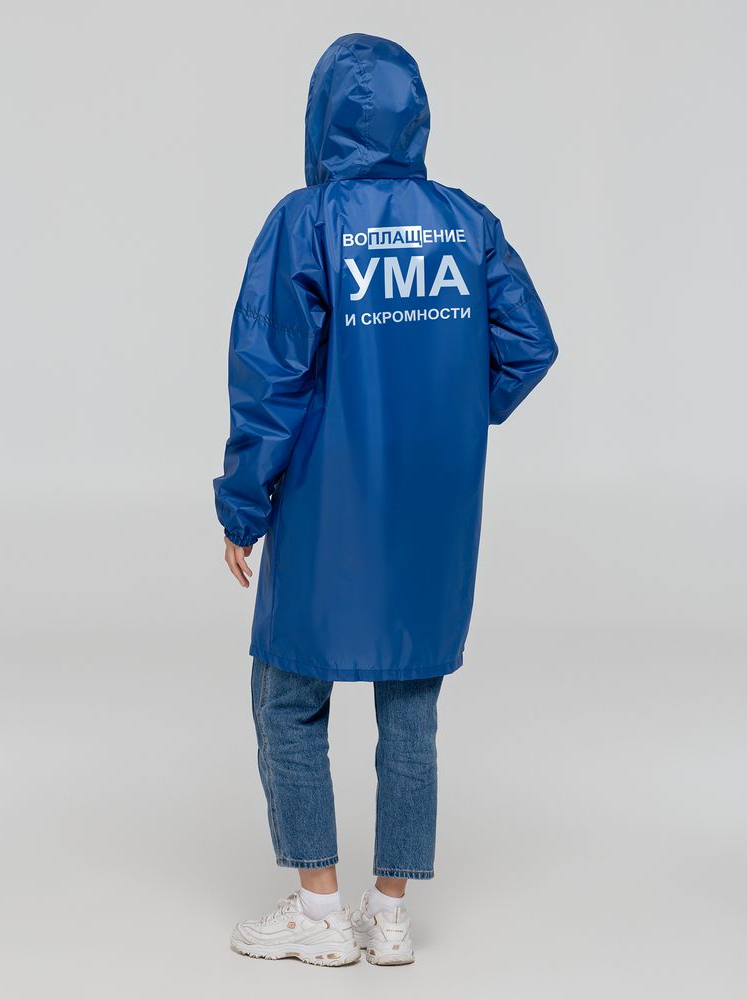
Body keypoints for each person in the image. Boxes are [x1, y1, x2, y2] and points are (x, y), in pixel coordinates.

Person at [213, 32, 558, 967]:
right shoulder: (466, 222)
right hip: (432, 508)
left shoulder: (307, 221)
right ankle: (391, 915)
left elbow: (270, 376)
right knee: (412, 704)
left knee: (288, 697)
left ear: (323, 116)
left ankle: (320, 913)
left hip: (328, 503)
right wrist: (455, 413)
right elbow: (529, 344)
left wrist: (243, 505)